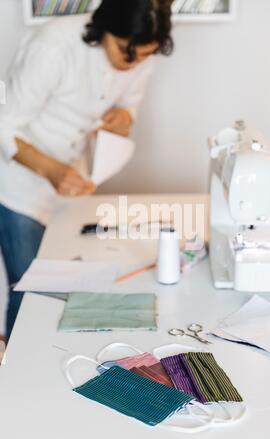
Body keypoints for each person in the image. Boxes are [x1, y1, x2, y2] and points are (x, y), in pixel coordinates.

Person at [0, 0, 173, 341]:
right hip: (17, 185)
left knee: (60, 289)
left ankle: (47, 363)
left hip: (70, 187)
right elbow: (4, 125)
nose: (134, 63)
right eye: (127, 52)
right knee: (28, 289)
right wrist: (50, 170)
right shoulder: (52, 47)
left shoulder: (139, 53)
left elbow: (129, 104)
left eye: (145, 55)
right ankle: (16, 377)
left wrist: (125, 116)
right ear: (104, 27)